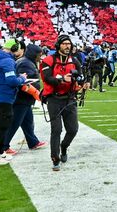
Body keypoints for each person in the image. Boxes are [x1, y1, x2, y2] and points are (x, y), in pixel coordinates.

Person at [40, 35, 89, 171]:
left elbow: (80, 76)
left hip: (70, 99)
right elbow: (47, 78)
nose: (68, 46)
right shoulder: (48, 60)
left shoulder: (74, 60)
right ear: (58, 45)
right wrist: (62, 79)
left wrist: (83, 83)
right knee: (56, 130)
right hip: (54, 99)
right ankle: (55, 158)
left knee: (73, 129)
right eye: (64, 44)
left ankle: (64, 147)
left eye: (69, 44)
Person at [0, 39, 27, 166]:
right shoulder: (7, 60)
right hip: (3, 97)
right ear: (14, 48)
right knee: (2, 127)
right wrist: (22, 78)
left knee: (3, 126)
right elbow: (11, 81)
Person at [2, 43, 48, 156]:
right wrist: (35, 92)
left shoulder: (26, 61)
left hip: (25, 99)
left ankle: (33, 142)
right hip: (21, 98)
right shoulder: (25, 63)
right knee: (14, 123)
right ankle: (3, 146)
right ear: (33, 54)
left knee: (27, 122)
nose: (40, 57)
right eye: (39, 54)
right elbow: (22, 82)